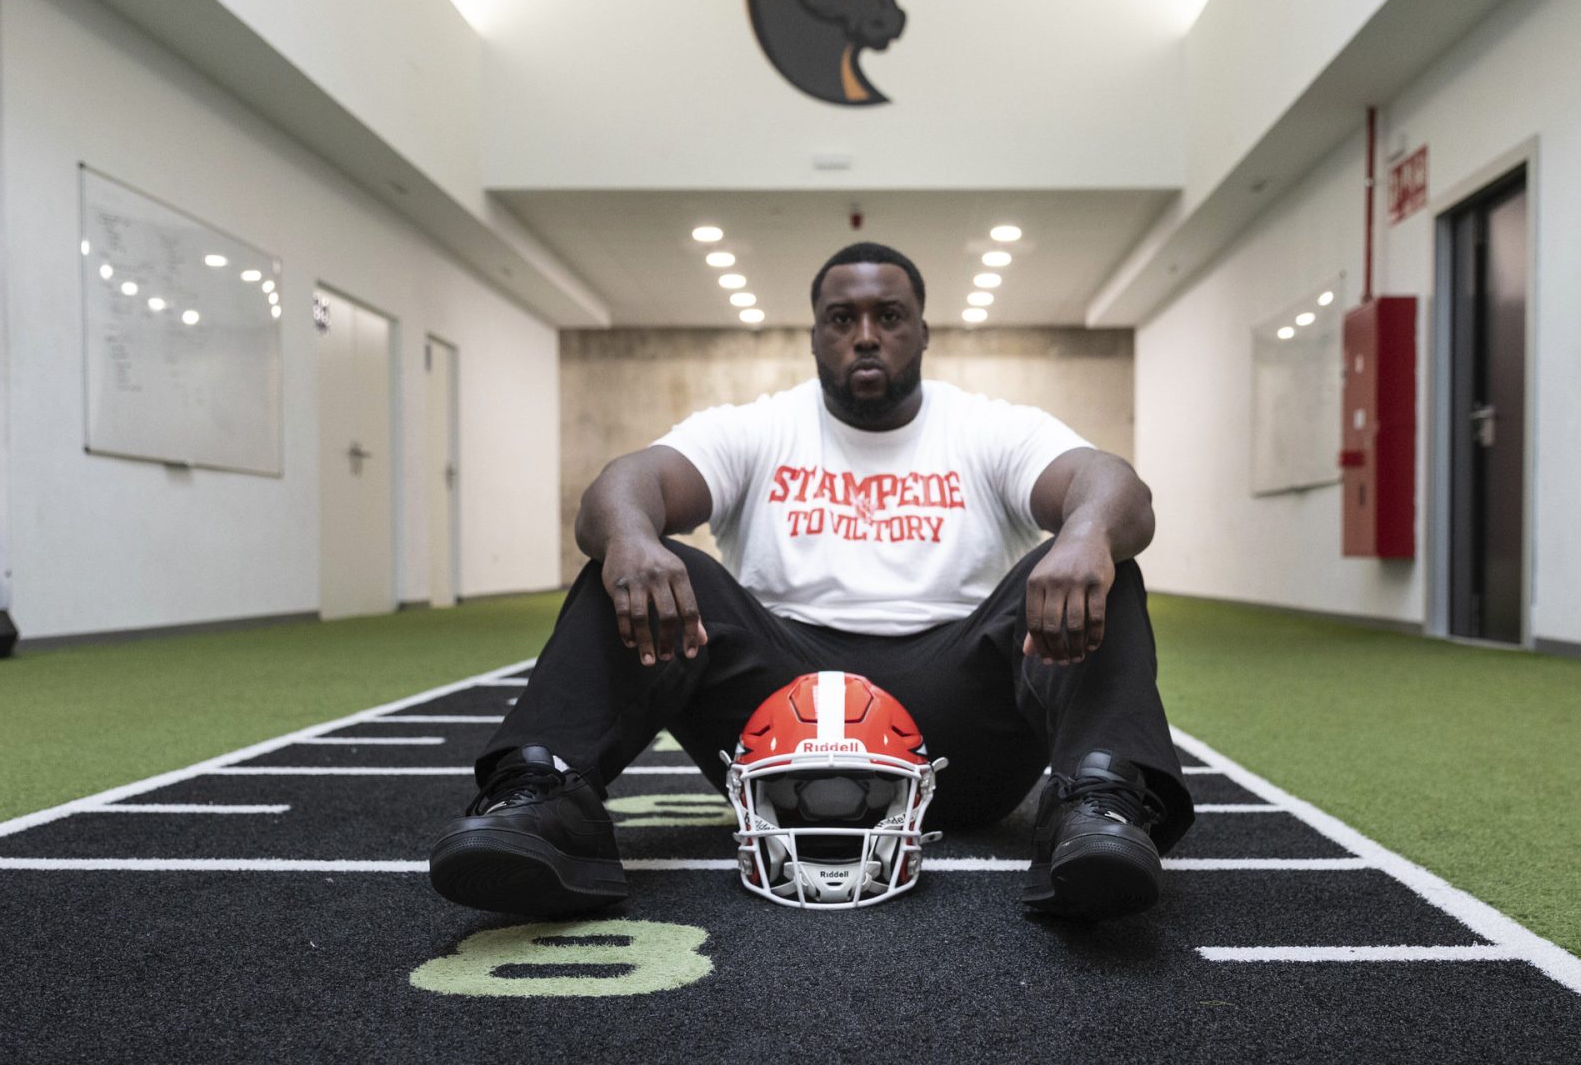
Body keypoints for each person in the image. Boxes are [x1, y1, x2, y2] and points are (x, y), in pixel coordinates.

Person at [427, 241, 1193, 923]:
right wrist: (630, 537)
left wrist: (1086, 534)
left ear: (922, 331)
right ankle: (543, 795)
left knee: (1101, 562)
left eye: (889, 315)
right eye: (842, 317)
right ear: (816, 334)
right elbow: (624, 484)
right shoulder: (758, 427)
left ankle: (1100, 805)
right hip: (777, 715)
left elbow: (1111, 483)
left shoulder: (988, 427)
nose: (866, 333)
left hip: (959, 731)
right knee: (633, 560)